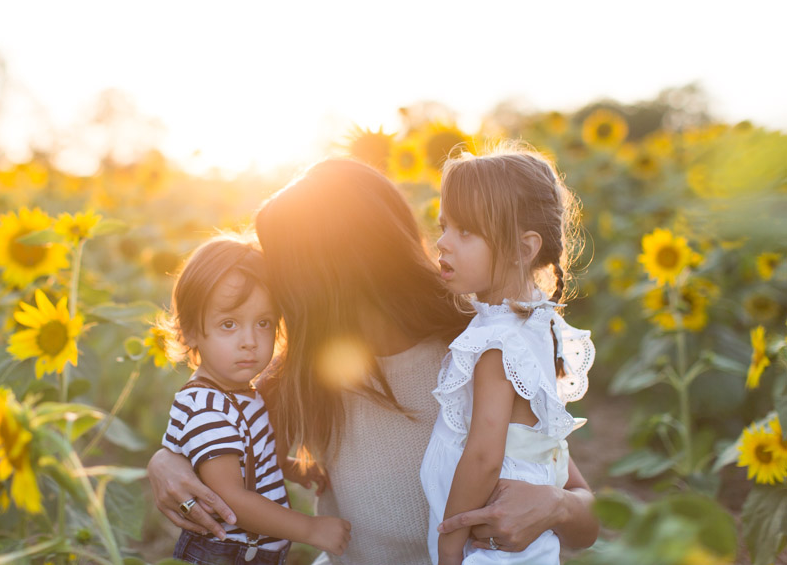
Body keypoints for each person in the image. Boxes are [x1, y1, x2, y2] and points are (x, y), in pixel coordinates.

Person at [148, 159, 599, 565]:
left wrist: (557, 505)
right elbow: (216, 426)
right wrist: (168, 459)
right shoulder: (303, 375)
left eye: (284, 269)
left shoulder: (478, 349)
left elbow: (583, 515)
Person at [421, 147, 595, 565]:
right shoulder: (539, 322)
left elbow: (483, 457)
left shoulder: (495, 342)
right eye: (444, 226)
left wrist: (449, 544)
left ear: (523, 248)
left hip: (486, 540)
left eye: (465, 231)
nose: (442, 243)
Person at [158, 234, 351, 564]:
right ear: (189, 330)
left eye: (263, 323)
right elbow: (230, 496)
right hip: (229, 553)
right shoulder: (208, 408)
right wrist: (310, 529)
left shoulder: (237, 393)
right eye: (229, 324)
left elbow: (239, 463)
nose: (249, 341)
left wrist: (288, 467)